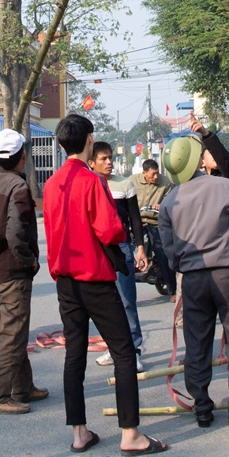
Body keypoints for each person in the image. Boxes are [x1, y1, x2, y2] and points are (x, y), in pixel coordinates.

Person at [43, 114, 165, 456]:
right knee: (124, 352)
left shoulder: (52, 184)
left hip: (65, 279)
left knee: (74, 354)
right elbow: (110, 230)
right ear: (89, 141)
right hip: (94, 276)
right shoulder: (91, 181)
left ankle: (79, 432)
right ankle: (131, 434)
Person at [159, 115, 229, 430]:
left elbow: (168, 247)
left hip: (194, 277)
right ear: (197, 160)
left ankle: (201, 406)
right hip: (228, 271)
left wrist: (182, 267)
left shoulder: (169, 200)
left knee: (196, 341)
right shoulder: (224, 186)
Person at [0, 128, 47, 414]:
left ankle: (23, 387)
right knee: (13, 333)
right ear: (22, 158)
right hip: (12, 268)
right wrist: (28, 259)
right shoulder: (18, 188)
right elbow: (16, 233)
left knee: (13, 329)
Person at [91, 142, 147, 370]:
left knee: (126, 300)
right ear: (91, 162)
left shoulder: (125, 184)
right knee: (105, 304)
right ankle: (114, 349)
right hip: (96, 249)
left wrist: (140, 247)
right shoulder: (89, 185)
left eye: (110, 157)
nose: (109, 162)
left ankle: (133, 349)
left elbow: (135, 219)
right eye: (103, 158)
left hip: (122, 246)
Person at [131, 159, 173, 297]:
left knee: (162, 251)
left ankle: (172, 288)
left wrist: (163, 205)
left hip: (155, 222)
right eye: (152, 174)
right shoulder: (132, 181)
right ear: (144, 173)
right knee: (124, 246)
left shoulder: (165, 183)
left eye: (157, 174)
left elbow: (172, 199)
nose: (155, 177)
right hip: (136, 221)